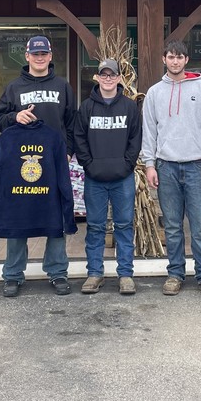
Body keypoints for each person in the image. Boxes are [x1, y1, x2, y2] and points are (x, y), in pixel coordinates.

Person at [0, 35, 78, 296]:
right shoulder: (14, 87)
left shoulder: (63, 86)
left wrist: (68, 152)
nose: (39, 58)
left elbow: (72, 123)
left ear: (50, 56)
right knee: (18, 216)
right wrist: (14, 116)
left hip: (53, 161)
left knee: (55, 215)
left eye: (44, 54)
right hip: (20, 165)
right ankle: (13, 274)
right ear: (27, 56)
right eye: (35, 54)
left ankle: (57, 272)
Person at [141, 40, 201, 297]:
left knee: (200, 225)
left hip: (197, 165)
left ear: (186, 60)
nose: (175, 61)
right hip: (166, 166)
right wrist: (149, 164)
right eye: (171, 57)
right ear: (164, 59)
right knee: (173, 226)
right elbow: (149, 132)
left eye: (180, 57)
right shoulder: (154, 92)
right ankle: (175, 274)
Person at [0, 119, 76, 297]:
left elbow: (62, 171)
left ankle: (58, 273)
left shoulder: (53, 137)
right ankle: (12, 275)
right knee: (16, 230)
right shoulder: (7, 137)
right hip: (16, 196)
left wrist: (66, 201)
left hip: (48, 196)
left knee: (56, 229)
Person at [74, 59, 142, 296]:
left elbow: (136, 138)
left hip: (122, 178)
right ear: (97, 78)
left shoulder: (129, 107)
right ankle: (94, 273)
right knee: (95, 227)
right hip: (95, 178)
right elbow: (78, 138)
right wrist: (88, 164)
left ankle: (125, 275)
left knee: (124, 226)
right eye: (104, 75)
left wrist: (127, 164)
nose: (108, 79)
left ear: (119, 78)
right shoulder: (86, 107)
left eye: (112, 75)